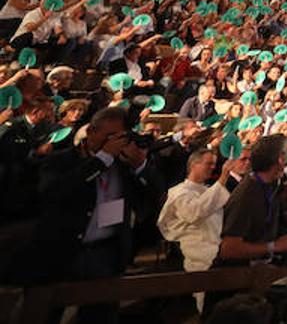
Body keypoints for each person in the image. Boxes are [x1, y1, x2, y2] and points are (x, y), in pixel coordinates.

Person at [32, 106, 166, 322]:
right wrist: (102, 159)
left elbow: (157, 194)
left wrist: (140, 165)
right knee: (49, 311)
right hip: (65, 249)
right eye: (110, 136)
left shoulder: (123, 165)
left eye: (121, 137)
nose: (116, 142)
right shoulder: (60, 160)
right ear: (92, 132)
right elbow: (53, 194)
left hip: (106, 251)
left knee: (100, 314)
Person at [158, 148, 248, 305]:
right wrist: (223, 177)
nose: (213, 167)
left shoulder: (208, 190)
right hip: (197, 249)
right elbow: (194, 212)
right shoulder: (179, 192)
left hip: (217, 244)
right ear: (194, 164)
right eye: (209, 163)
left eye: (214, 164)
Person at [217, 135, 287, 265]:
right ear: (280, 159)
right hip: (237, 277)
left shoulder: (270, 185)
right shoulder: (247, 194)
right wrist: (274, 246)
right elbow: (228, 249)